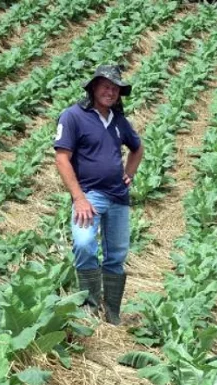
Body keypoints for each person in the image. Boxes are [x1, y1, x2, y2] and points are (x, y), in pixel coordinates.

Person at [54, 64, 143, 325]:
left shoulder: (118, 121)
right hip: (90, 196)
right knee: (83, 244)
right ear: (93, 88)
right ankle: (90, 308)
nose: (111, 91)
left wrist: (130, 174)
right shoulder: (73, 116)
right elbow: (62, 158)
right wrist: (79, 198)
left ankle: (112, 314)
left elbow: (137, 148)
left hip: (118, 198)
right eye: (106, 86)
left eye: (115, 88)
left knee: (116, 255)